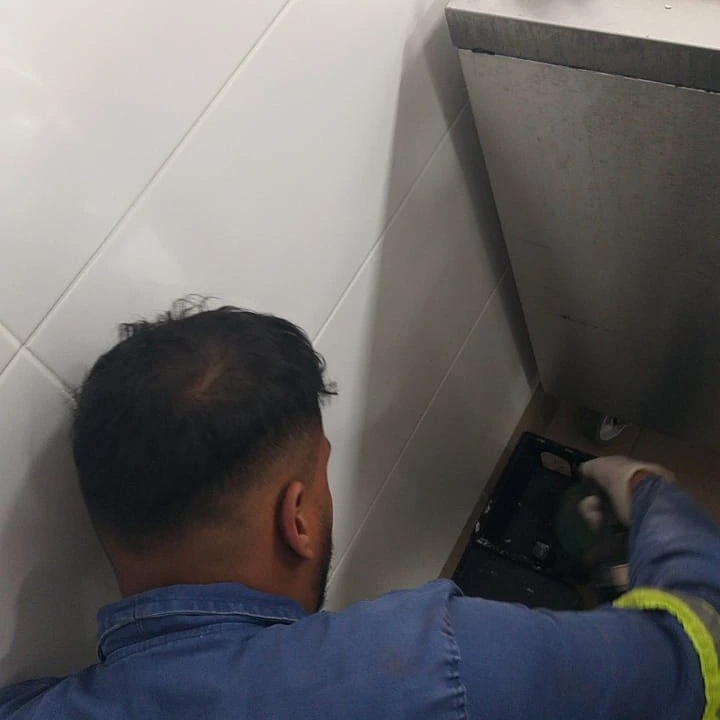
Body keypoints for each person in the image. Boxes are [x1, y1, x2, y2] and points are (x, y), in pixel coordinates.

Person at [1, 300, 719, 720]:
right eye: (321, 475)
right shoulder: (432, 665)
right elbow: (696, 652)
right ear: (297, 518)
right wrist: (649, 491)